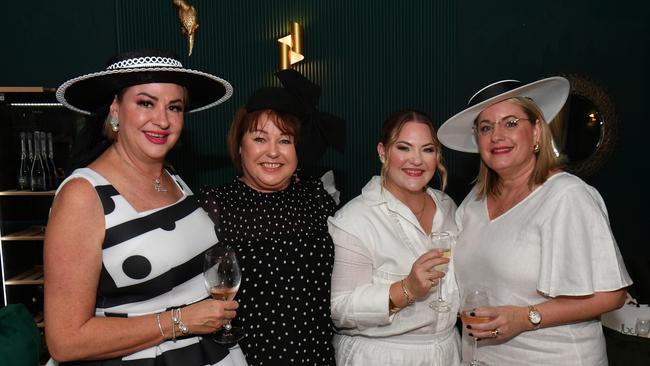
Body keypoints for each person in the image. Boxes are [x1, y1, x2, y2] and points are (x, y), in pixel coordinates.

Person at [44, 48, 248, 365]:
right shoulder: (83, 196)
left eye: (175, 107)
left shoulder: (173, 176)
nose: (162, 120)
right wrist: (178, 322)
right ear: (115, 108)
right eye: (145, 103)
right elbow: (65, 340)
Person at [437, 77, 633, 365]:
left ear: (537, 131)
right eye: (486, 127)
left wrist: (526, 317)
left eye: (511, 123)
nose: (497, 136)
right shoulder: (472, 206)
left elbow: (612, 296)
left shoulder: (567, 196)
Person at [199, 69, 343, 365]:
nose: (273, 152)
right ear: (240, 146)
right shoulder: (213, 205)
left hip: (317, 356)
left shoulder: (317, 197)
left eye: (285, 140)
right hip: (246, 358)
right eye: (260, 139)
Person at [328, 110, 461, 365]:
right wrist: (407, 289)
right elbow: (339, 309)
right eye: (404, 148)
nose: (416, 160)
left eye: (428, 150)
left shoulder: (448, 207)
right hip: (381, 355)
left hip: (448, 351)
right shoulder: (355, 220)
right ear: (383, 151)